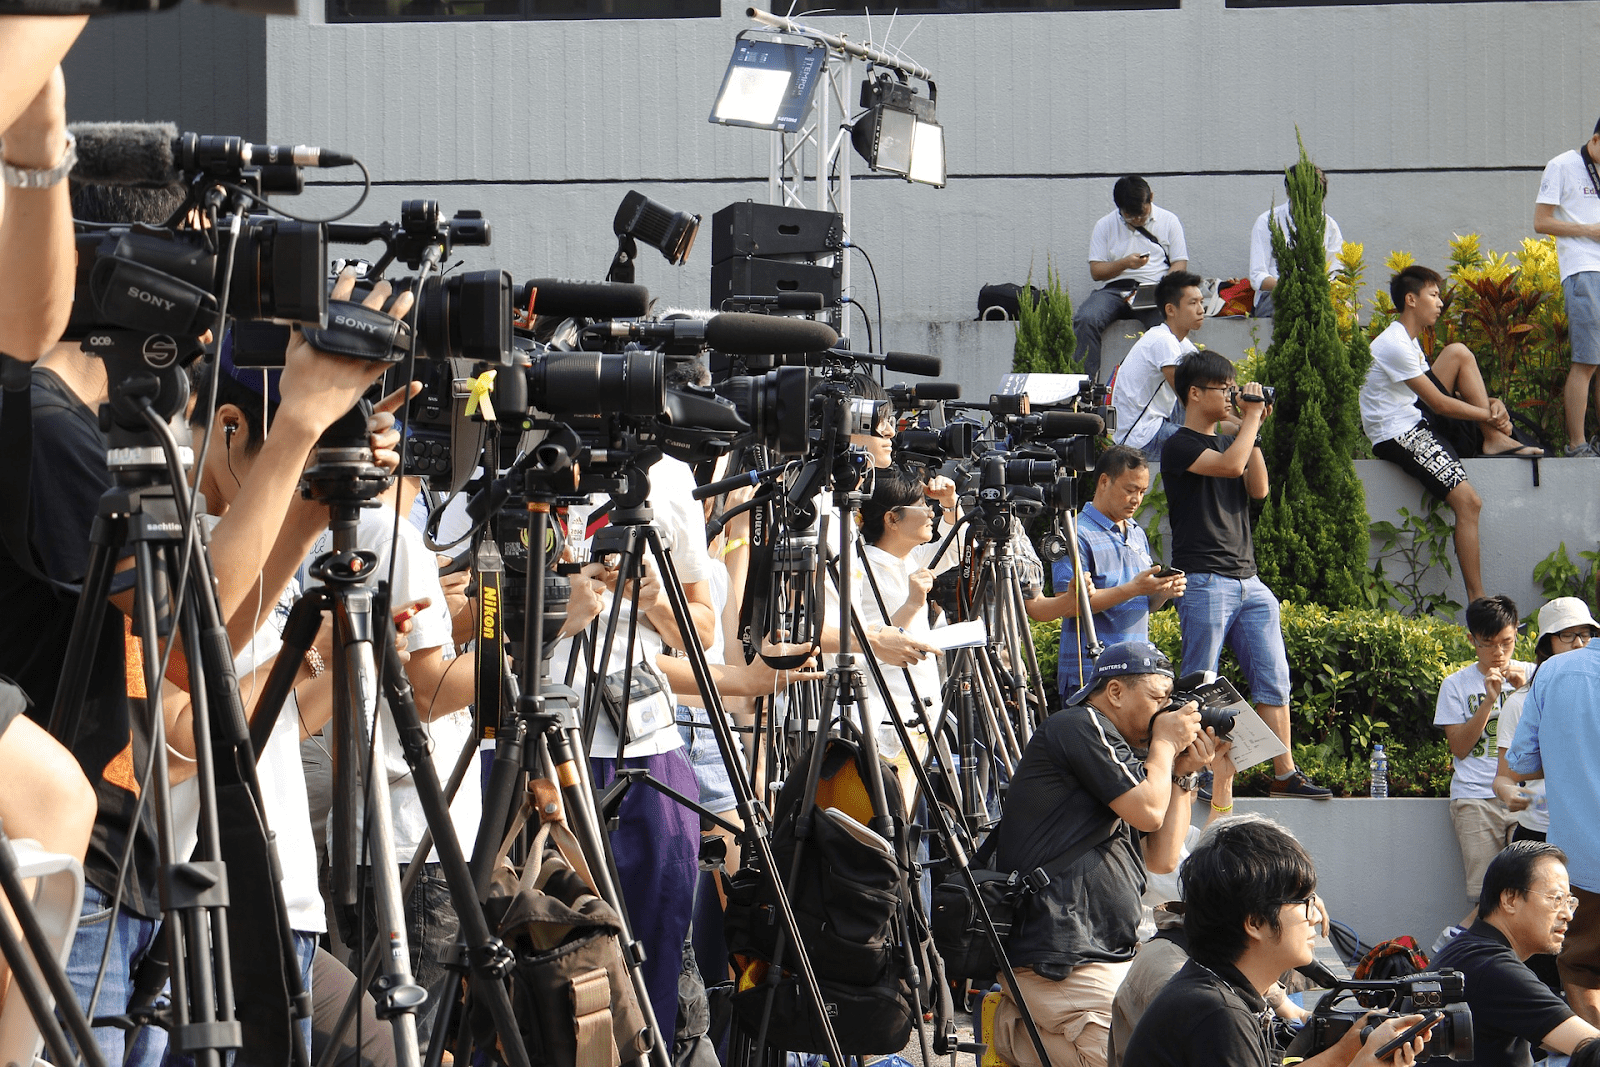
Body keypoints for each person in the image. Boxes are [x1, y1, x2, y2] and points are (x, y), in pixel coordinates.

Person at [546, 451, 718, 1039]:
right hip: (532, 742)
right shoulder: (513, 444)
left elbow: (703, 626)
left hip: (643, 747)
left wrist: (652, 600)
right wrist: (554, 605)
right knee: (536, 954)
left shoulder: (667, 474)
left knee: (651, 961)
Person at [989, 640, 1218, 1067]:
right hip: (1063, 956)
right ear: (1115, 691)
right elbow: (1149, 812)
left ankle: (1022, 1030)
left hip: (1108, 951)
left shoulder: (1126, 755)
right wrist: (1165, 745)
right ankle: (1015, 1028)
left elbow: (1162, 858)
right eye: (1158, 698)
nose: (1166, 712)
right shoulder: (1079, 725)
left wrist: (1183, 773)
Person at [1121, 818, 1432, 1067]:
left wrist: (1346, 1051)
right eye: (1304, 902)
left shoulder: (1215, 988)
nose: (1315, 916)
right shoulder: (1219, 1014)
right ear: (1255, 922)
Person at [1162, 351, 1329, 799]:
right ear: (1195, 393)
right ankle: (1194, 773)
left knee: (1274, 676)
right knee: (1201, 679)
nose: (1232, 396)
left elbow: (1259, 488)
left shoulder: (1232, 439)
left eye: (1234, 389)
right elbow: (1230, 468)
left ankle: (1284, 773)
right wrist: (1250, 418)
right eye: (1225, 389)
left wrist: (1248, 427)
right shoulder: (1179, 444)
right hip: (1204, 578)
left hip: (1248, 579)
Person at [1359, 266, 1538, 604]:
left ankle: (1493, 438)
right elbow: (1439, 404)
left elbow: (1439, 396)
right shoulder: (1393, 344)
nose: (1440, 303)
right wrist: (1490, 414)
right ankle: (1478, 601)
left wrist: (1490, 405)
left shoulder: (1409, 341)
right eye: (1434, 295)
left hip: (1415, 417)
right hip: (1398, 433)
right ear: (1411, 300)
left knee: (1457, 352)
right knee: (1469, 502)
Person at [1032, 446, 1184, 699]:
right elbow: (1069, 605)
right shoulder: (1074, 533)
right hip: (1092, 674)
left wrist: (1161, 593)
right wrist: (1134, 588)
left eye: (1142, 491)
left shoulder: (1136, 532)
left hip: (1136, 671)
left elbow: (1140, 604)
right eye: (1130, 489)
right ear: (1104, 481)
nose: (1137, 499)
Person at [1430, 842, 1600, 1066]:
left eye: (1570, 902)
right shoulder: (1494, 968)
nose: (1568, 915)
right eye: (1556, 899)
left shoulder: (1466, 949)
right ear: (1510, 900)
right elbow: (1590, 1047)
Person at [1505, 624, 1600, 1025]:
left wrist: (1571, 752)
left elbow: (1521, 762)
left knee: (1580, 968)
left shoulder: (1556, 672)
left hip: (1581, 863)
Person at [1432, 595, 1531, 950]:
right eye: (1488, 644)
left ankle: (1454, 944)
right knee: (1489, 894)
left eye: (1506, 642)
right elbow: (1459, 747)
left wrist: (1524, 691)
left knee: (1528, 888)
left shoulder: (1535, 675)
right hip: (1475, 798)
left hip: (1525, 797)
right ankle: (1458, 948)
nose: (1498, 653)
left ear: (1517, 633)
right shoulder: (1455, 685)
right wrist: (1489, 700)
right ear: (1472, 639)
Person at [1495, 598, 1600, 844]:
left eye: (1585, 634)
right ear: (1546, 644)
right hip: (1538, 830)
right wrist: (1509, 792)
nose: (1578, 643)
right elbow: (1506, 774)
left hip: (1585, 830)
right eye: (1566, 635)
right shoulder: (1520, 702)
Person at [1072, 176, 1189, 383]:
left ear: (1151, 198)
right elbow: (1096, 271)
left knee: (1167, 325)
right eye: (1130, 216)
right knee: (1086, 318)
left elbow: (1179, 263)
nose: (1137, 220)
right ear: (1119, 208)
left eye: (1142, 214)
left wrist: (1163, 288)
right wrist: (1124, 263)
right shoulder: (1104, 225)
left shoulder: (1169, 220)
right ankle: (1085, 387)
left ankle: (1172, 386)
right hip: (1115, 290)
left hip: (1154, 288)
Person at [1533, 119, 1600, 456]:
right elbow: (1540, 221)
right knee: (1587, 361)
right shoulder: (1562, 165)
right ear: (1595, 140)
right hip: (1583, 269)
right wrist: (1589, 230)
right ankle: (1577, 444)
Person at [1111, 270, 1205, 459]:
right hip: (1138, 436)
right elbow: (1187, 396)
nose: (1201, 310)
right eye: (1193, 303)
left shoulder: (1180, 342)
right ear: (1170, 310)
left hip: (1155, 423)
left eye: (1201, 302)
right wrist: (1230, 423)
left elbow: (1210, 381)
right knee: (1208, 447)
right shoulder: (1163, 341)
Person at [1247, 165, 1344, 319]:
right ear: (1288, 191)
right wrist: (1293, 288)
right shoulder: (1267, 222)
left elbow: (1336, 273)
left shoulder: (1329, 225)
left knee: (1347, 312)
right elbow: (1257, 276)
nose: (1309, 202)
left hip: (1319, 296)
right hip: (1276, 296)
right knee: (1296, 307)